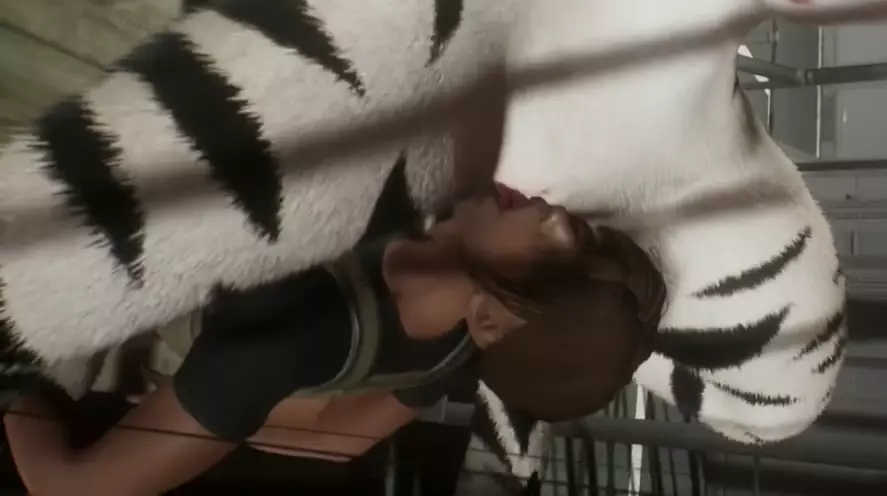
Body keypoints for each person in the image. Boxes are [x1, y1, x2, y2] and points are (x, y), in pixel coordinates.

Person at [2, 184, 667, 496]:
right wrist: (245, 413)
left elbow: (70, 490)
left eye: (561, 241)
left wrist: (10, 373)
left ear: (492, 320)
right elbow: (336, 440)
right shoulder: (451, 352)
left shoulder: (290, 331)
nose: (552, 210)